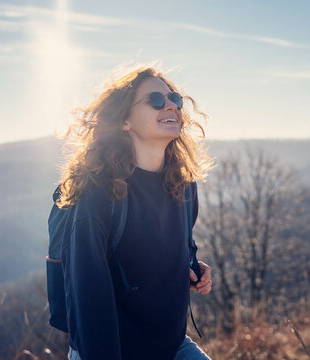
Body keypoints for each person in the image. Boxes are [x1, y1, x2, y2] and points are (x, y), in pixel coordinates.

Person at [54, 65, 214, 359]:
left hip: (171, 345)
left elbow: (170, 246)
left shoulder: (183, 184)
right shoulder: (98, 195)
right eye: (155, 100)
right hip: (109, 349)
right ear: (124, 120)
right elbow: (88, 300)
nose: (171, 106)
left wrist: (191, 266)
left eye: (175, 99)